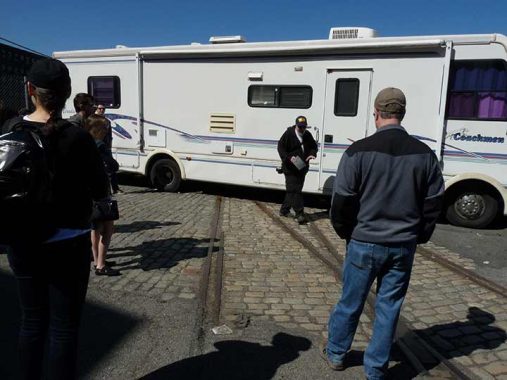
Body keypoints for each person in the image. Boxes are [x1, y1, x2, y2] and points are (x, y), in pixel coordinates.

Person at [322, 87, 444, 380]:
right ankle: (375, 368)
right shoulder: (425, 155)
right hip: (402, 245)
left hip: (364, 241)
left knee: (351, 301)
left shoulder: (357, 151)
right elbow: (433, 203)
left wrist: (346, 232)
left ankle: (337, 353)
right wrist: (420, 235)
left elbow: (342, 200)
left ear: (376, 113)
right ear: (402, 114)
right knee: (389, 308)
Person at [4, 59, 109, 379]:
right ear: (66, 95)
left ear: (30, 90)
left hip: (22, 241)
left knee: (31, 323)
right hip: (68, 242)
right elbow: (100, 189)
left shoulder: (9, 131)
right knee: (64, 329)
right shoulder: (78, 138)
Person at [85, 114, 120, 276]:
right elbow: (113, 166)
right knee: (108, 229)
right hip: (101, 190)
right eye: (105, 128)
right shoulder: (100, 145)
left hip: (89, 191)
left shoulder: (84, 143)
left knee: (95, 228)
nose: (107, 131)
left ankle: (96, 259)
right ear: (98, 129)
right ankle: (101, 265)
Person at [277, 116, 318, 224]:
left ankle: (284, 210)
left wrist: (312, 154)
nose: (302, 129)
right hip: (290, 167)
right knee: (295, 190)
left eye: (304, 127)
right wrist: (288, 158)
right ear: (296, 126)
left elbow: (314, 146)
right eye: (300, 127)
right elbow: (280, 147)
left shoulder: (307, 134)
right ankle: (299, 214)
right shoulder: (289, 134)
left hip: (302, 167)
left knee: (293, 189)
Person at [95, 104, 122, 193]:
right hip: (96, 147)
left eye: (103, 109)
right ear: (96, 109)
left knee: (111, 168)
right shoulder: (92, 120)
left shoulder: (106, 121)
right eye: (100, 108)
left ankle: (115, 188)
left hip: (105, 147)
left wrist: (109, 146)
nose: (102, 110)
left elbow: (109, 135)